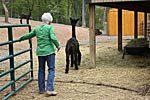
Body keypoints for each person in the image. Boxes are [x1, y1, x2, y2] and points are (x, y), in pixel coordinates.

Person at [18, 12, 61, 96]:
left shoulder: (37, 28)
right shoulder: (50, 28)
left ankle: (41, 89)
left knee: (41, 69)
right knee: (51, 69)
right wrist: (58, 45)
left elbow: (29, 35)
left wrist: (21, 38)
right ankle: (50, 89)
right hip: (49, 52)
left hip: (40, 52)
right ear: (49, 21)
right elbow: (52, 37)